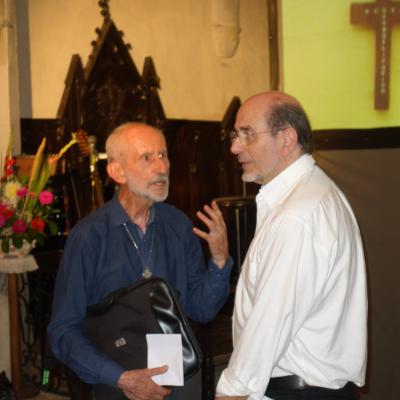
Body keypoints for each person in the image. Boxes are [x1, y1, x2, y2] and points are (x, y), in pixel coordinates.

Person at [47, 122, 232, 400]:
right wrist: (119, 378)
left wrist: (219, 261)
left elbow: (202, 310)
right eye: (147, 158)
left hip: (179, 375)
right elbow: (63, 331)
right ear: (117, 171)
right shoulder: (88, 237)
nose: (162, 167)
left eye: (163, 155)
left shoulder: (178, 225)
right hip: (117, 379)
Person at [215, 91, 368, 400]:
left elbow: (270, 321)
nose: (234, 147)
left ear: (286, 139)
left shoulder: (296, 215)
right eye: (235, 135)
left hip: (297, 393)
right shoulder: (314, 192)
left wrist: (231, 391)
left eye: (247, 134)